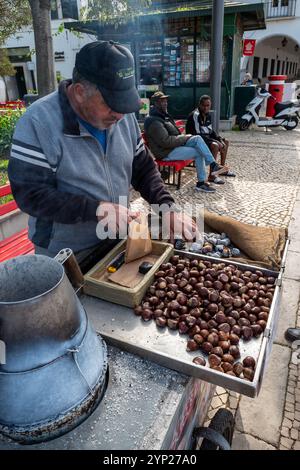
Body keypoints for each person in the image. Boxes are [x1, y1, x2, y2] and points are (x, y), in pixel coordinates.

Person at [8, 41, 198, 271]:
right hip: (64, 252)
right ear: (79, 92)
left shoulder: (122, 116)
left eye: (124, 103)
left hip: (115, 241)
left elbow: (143, 167)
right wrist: (96, 209)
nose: (119, 114)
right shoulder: (38, 122)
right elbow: (30, 195)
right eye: (111, 104)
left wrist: (166, 208)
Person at [144, 92, 228, 193]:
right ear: (156, 103)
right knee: (198, 151)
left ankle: (213, 165)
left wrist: (184, 138)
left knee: (197, 138)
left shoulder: (162, 116)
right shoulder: (154, 121)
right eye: (162, 101)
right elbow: (166, 142)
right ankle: (201, 182)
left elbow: (172, 136)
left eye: (166, 101)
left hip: (174, 146)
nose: (165, 103)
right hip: (165, 152)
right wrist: (185, 138)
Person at [186, 95, 235, 184]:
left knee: (225, 142)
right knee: (215, 145)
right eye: (204, 105)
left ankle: (221, 170)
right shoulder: (195, 115)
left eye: (208, 105)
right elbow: (198, 135)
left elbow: (210, 132)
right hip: (195, 141)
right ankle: (211, 176)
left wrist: (219, 139)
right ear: (199, 105)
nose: (206, 108)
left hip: (205, 139)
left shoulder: (207, 115)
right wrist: (215, 141)